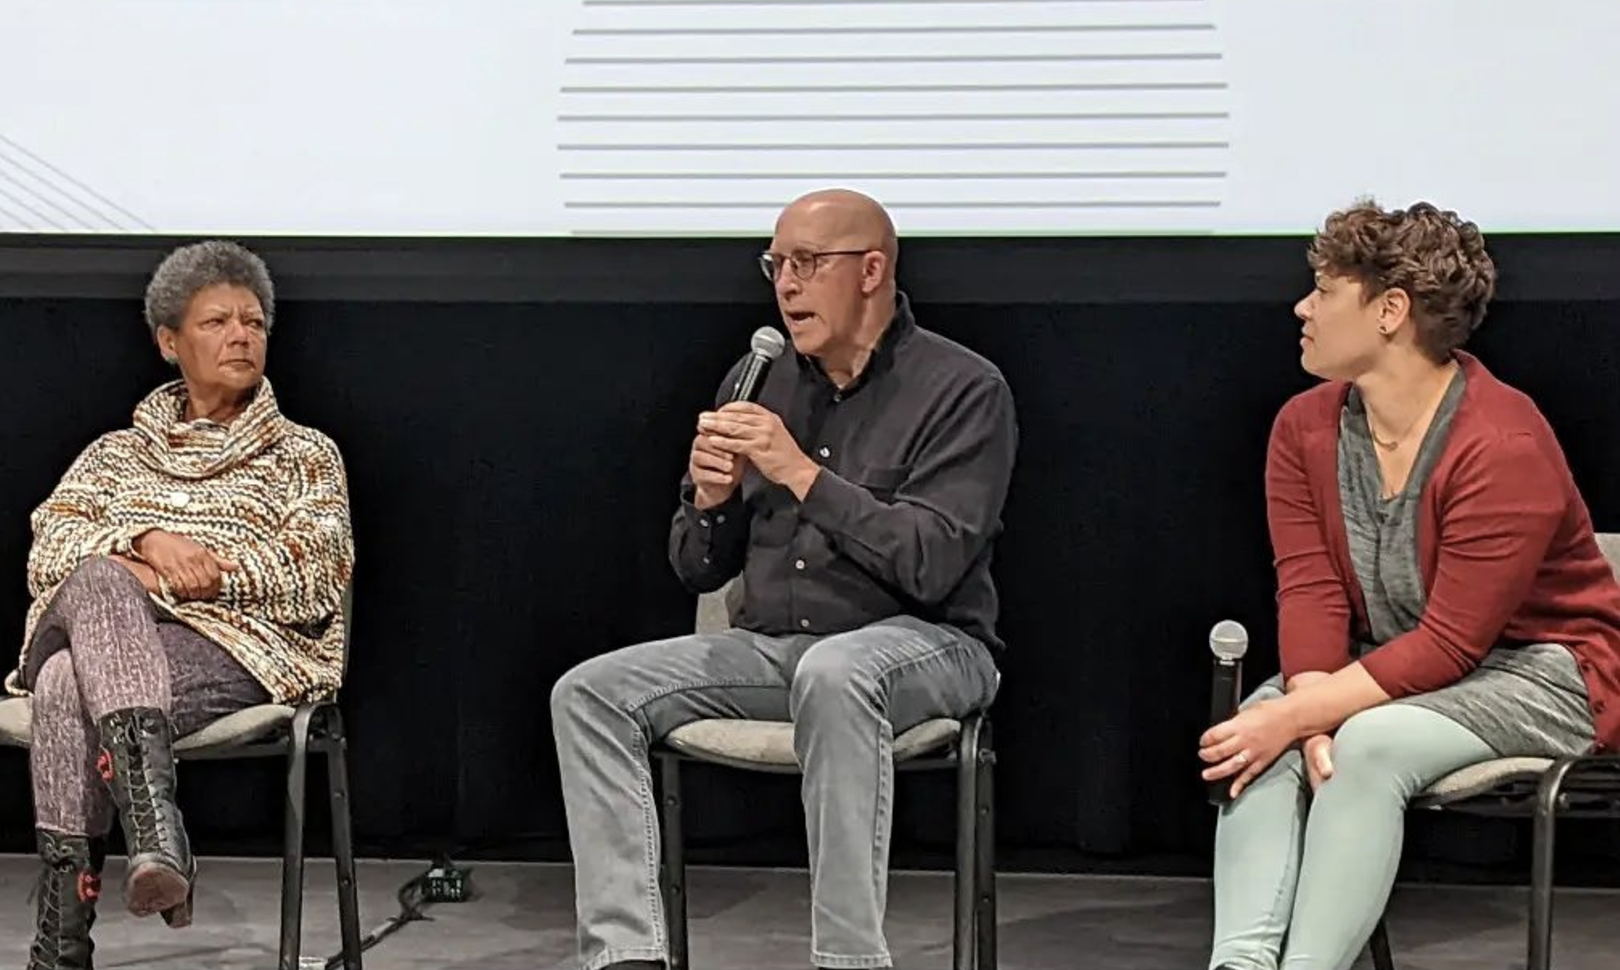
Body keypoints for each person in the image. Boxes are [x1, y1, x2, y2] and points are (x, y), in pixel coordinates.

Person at [550, 188, 1016, 970]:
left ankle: (847, 961)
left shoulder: (963, 389)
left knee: (836, 672)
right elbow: (698, 568)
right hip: (775, 650)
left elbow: (932, 563)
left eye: (808, 263)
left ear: (872, 271)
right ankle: (627, 954)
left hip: (930, 645)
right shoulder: (758, 376)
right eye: (776, 265)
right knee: (589, 694)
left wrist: (802, 474)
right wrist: (709, 502)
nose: (787, 285)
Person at [1198, 200, 1620, 970]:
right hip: (1392, 665)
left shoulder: (1503, 442)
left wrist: (1311, 713)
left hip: (1542, 675)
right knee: (1261, 728)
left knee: (1367, 741)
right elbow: (1311, 589)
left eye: (1324, 291)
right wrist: (1306, 714)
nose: (1302, 308)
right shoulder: (1303, 428)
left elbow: (1452, 644)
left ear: (1390, 310)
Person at [8, 240, 356, 970]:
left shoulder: (305, 455)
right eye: (217, 322)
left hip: (239, 649)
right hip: (113, 636)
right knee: (98, 580)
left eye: (253, 322)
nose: (241, 336)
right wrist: (146, 543)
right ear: (170, 343)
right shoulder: (114, 456)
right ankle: (157, 835)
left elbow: (317, 574)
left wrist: (188, 578)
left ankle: (60, 949)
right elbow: (49, 552)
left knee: (66, 681)